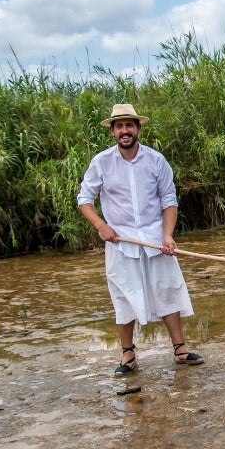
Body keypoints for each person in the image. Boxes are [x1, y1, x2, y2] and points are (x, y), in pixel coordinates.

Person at [77, 103, 204, 373]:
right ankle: (127, 355)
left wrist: (167, 235)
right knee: (123, 295)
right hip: (120, 242)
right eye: (119, 126)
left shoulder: (156, 160)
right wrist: (101, 226)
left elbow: (169, 201)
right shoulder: (101, 162)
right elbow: (84, 199)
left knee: (167, 288)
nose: (125, 130)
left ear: (138, 128)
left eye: (129, 125)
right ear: (112, 131)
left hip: (155, 239)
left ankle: (180, 349)